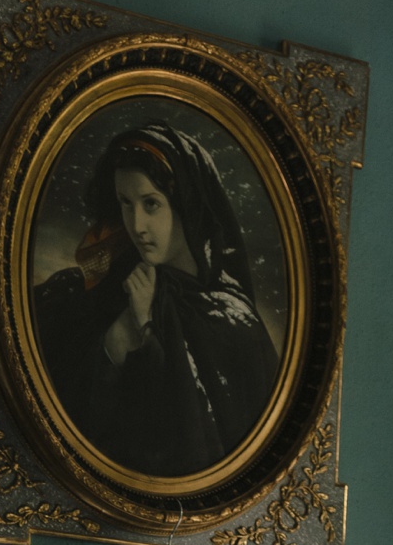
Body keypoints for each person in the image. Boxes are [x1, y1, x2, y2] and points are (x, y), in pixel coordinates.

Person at [34, 122, 280, 478]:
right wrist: (119, 338)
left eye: (151, 204)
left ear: (187, 206)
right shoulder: (108, 287)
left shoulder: (232, 318)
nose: (137, 225)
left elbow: (190, 444)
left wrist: (146, 326)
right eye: (125, 203)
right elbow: (78, 415)